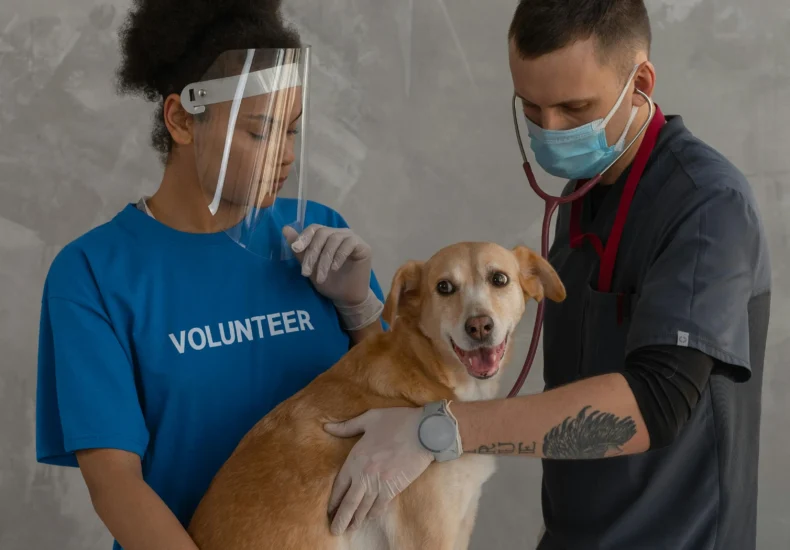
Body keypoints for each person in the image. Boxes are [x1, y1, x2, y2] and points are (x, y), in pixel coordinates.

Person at [323, 2, 771, 549]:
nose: (551, 129)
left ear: (641, 82)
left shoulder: (706, 205)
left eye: (574, 108)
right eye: (532, 109)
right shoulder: (583, 197)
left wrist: (435, 429)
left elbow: (656, 401)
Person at [34, 1, 386, 549]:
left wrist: (360, 309)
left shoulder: (319, 238)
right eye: (260, 132)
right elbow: (114, 484)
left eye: (293, 131)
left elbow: (403, 404)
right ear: (180, 120)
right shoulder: (94, 274)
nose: (286, 156)